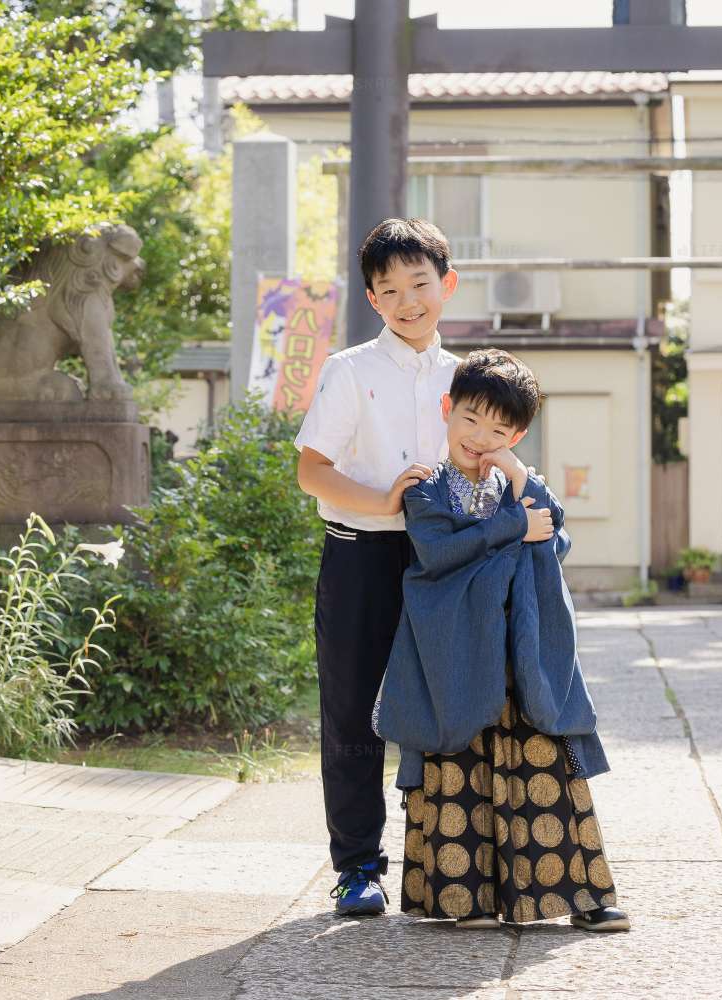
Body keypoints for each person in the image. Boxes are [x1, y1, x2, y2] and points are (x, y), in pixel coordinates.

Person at [373, 349, 630, 932]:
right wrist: (514, 529)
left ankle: (580, 898)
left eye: (500, 429)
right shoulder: (427, 486)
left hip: (523, 655)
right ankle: (466, 901)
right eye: (470, 420)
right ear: (447, 409)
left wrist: (517, 477)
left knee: (547, 768)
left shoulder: (520, 483)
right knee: (459, 764)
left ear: (517, 434)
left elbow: (554, 540)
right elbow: (439, 555)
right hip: (455, 656)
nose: (480, 437)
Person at [295, 218, 461, 916]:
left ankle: (449, 859)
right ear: (372, 298)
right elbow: (311, 471)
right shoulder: (349, 370)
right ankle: (358, 867)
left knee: (452, 710)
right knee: (353, 716)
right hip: (361, 557)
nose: (407, 300)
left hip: (445, 564)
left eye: (419, 283)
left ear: (445, 285)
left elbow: (495, 455)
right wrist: (383, 501)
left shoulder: (468, 376)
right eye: (389, 288)